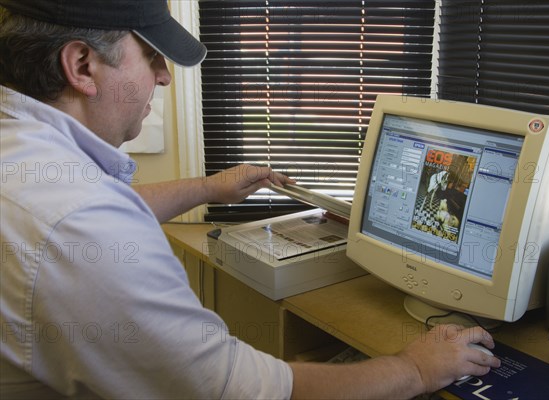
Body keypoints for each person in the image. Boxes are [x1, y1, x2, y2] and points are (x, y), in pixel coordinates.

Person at [0, 1, 500, 398]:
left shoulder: (26, 156)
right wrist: (413, 370)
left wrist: (211, 188)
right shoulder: (80, 220)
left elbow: (85, 212)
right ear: (82, 65)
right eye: (151, 55)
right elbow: (230, 389)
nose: (164, 76)